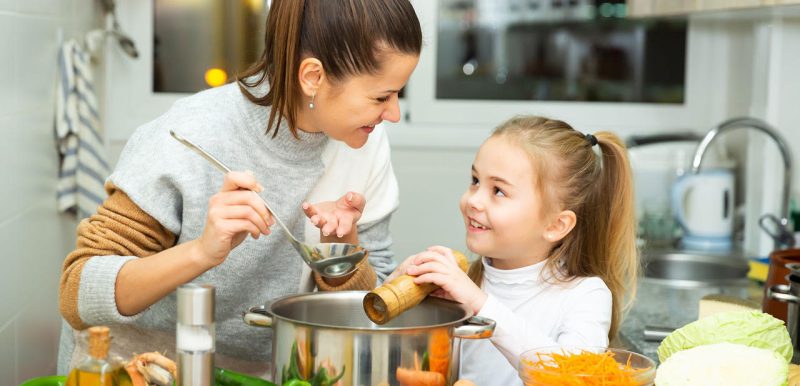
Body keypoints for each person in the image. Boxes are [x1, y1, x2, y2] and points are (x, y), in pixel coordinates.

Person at [57, 0, 422, 377]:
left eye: (397, 94)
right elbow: (77, 290)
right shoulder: (192, 134)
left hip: (260, 372)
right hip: (133, 368)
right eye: (381, 97)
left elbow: (377, 307)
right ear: (313, 76)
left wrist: (343, 253)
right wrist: (201, 252)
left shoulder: (367, 142)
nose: (393, 114)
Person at [388, 115, 638, 385]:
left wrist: (480, 304)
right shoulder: (466, 283)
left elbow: (571, 377)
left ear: (556, 225)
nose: (474, 200)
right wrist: (398, 289)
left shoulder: (585, 296)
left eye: (498, 191)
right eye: (475, 180)